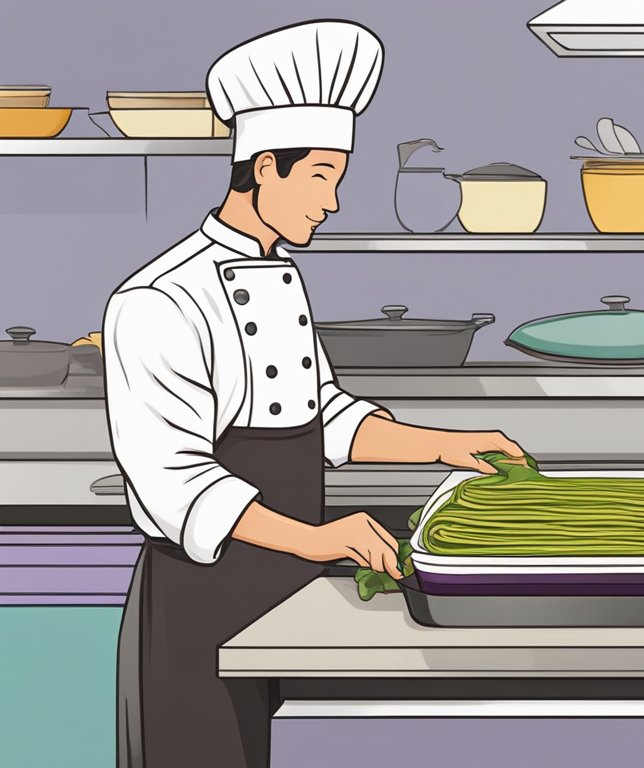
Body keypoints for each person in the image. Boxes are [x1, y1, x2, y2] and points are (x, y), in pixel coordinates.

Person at [105, 20, 526, 768]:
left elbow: (327, 419)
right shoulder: (158, 299)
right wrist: (320, 538)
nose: (331, 202)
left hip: (286, 576)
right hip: (205, 589)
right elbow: (175, 483)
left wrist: (445, 447)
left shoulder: (282, 274)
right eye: (322, 176)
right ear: (265, 167)